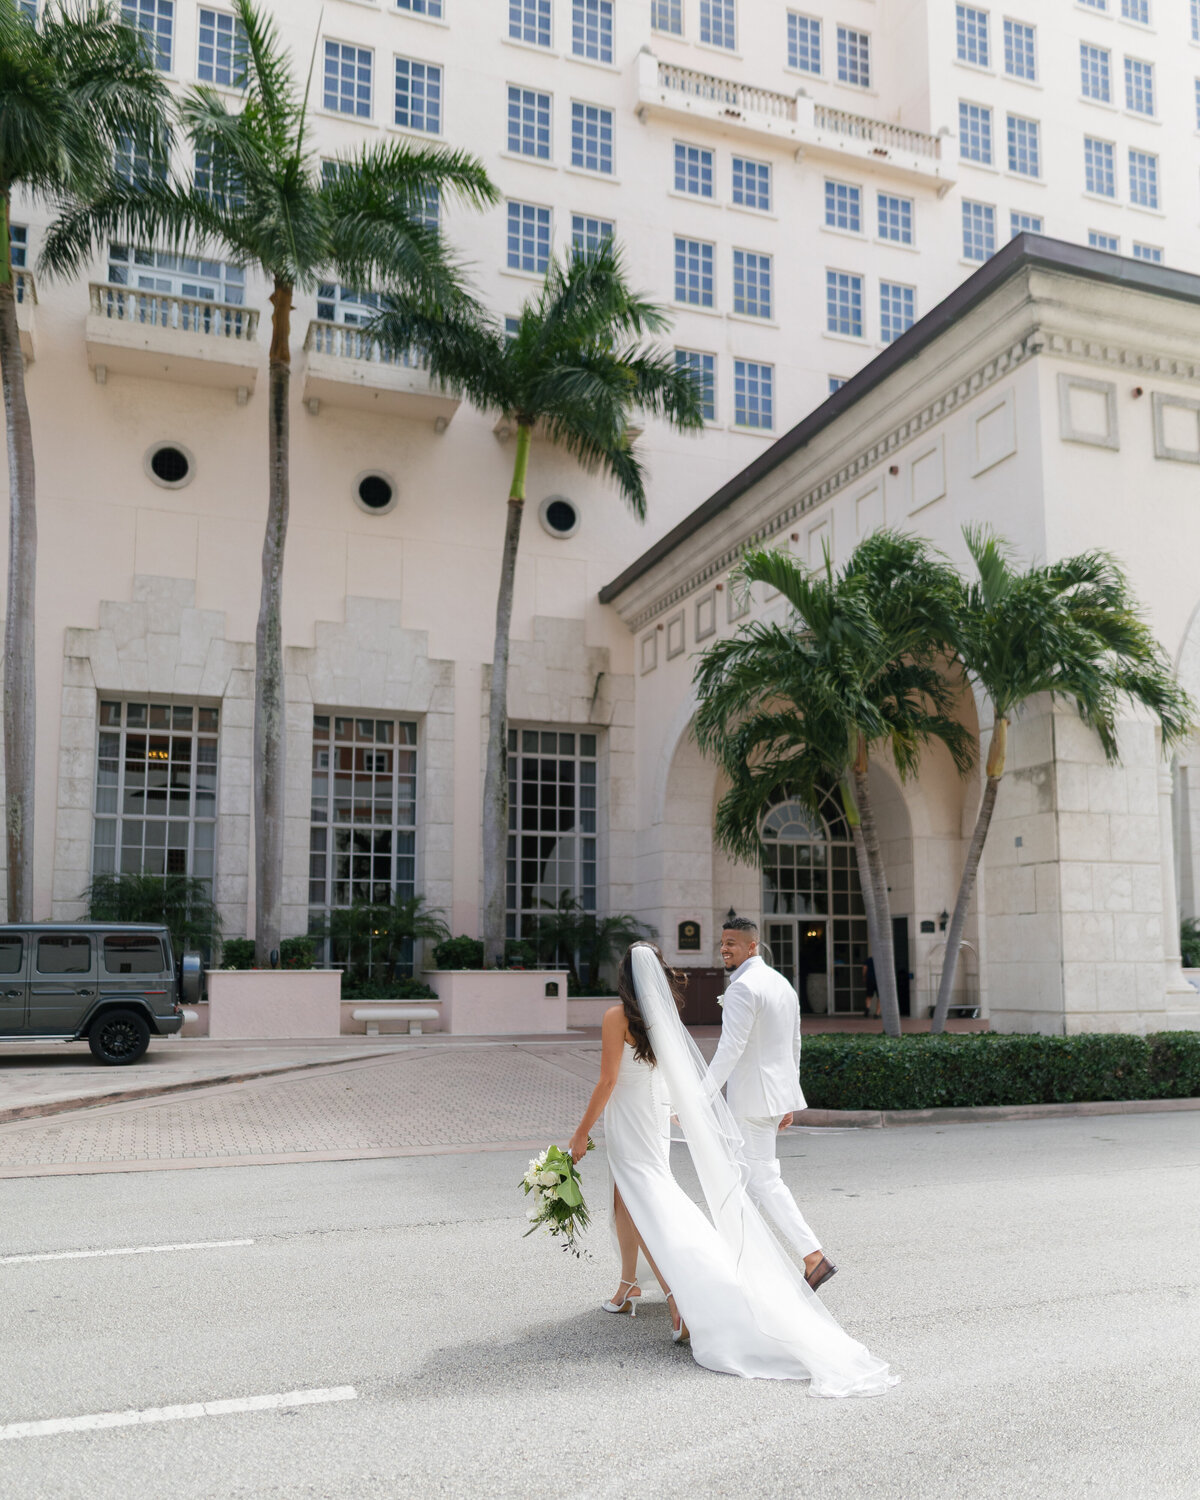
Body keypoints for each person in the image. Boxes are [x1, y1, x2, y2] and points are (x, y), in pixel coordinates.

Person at [567, 942, 897, 1395]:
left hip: (628, 1117)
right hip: (651, 1116)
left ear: (623, 976)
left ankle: (677, 1296)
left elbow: (607, 1080)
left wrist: (580, 1132)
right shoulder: (661, 1018)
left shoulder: (615, 1017)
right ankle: (628, 1287)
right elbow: (668, 1075)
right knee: (631, 1196)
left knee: (647, 1199)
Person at [707, 918, 835, 1292]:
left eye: (731, 942)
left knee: (763, 1177)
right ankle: (742, 1259)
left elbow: (730, 1049)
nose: (724, 948)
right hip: (770, 1097)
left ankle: (813, 1256)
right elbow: (793, 1045)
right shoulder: (781, 984)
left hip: (750, 1100)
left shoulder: (744, 987)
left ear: (752, 946)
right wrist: (787, 1099)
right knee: (745, 1178)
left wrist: (697, 1099)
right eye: (722, 942)